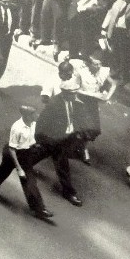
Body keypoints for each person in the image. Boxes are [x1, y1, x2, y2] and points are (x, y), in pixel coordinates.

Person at [0, 106, 53, 220]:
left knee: (29, 179)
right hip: (12, 154)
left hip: (25, 153)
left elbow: (30, 138)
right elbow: (12, 149)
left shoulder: (33, 124)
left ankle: (39, 209)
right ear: (27, 116)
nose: (37, 116)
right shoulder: (17, 128)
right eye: (34, 114)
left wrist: (34, 144)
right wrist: (19, 168)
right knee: (4, 171)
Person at [34, 78, 87, 206]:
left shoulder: (73, 102)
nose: (75, 94)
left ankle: (68, 192)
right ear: (65, 92)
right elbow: (41, 124)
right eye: (73, 92)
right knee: (37, 157)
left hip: (62, 141)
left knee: (62, 165)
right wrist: (41, 140)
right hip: (51, 140)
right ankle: (69, 193)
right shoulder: (54, 104)